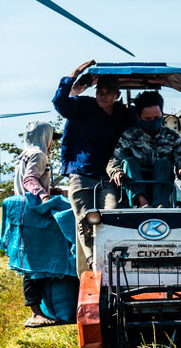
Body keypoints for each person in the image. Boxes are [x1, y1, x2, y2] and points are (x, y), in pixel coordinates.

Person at [53, 60, 135, 272]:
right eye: (99, 90)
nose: (102, 95)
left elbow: (139, 132)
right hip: (81, 172)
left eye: (107, 92)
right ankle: (93, 262)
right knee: (84, 220)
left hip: (107, 175)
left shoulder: (123, 115)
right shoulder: (83, 106)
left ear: (117, 95)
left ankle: (112, 261)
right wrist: (75, 76)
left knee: (110, 214)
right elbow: (60, 102)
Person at [13, 121, 63, 327]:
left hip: (24, 212)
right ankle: (36, 313)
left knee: (31, 262)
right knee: (35, 264)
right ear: (44, 137)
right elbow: (30, 180)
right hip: (34, 214)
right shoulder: (38, 155)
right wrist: (44, 196)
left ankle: (39, 310)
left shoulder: (24, 154)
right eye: (51, 138)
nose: (52, 143)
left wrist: (51, 190)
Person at [106, 91, 181, 207]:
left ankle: (160, 204)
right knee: (128, 162)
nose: (153, 121)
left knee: (164, 163)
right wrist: (116, 172)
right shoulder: (129, 136)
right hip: (136, 182)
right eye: (148, 119)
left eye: (157, 117)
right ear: (139, 117)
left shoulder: (172, 137)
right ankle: (142, 202)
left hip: (162, 183)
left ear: (162, 114)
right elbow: (114, 161)